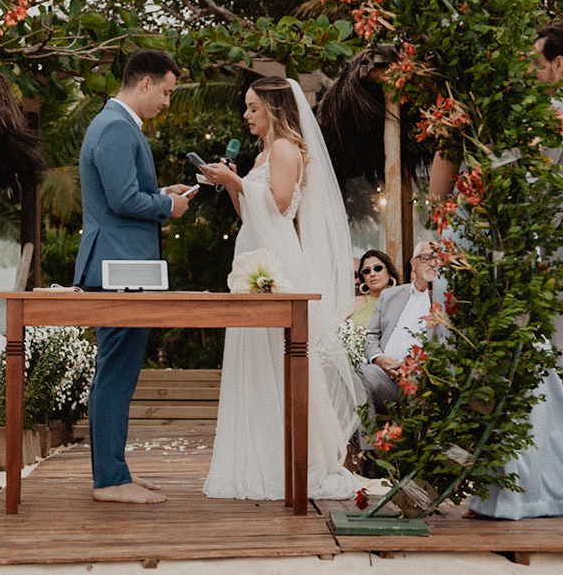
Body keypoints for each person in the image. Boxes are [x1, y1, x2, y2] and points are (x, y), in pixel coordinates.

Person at [430, 19, 563, 515]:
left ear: (557, 63)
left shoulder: (557, 114)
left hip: (557, 258)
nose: (529, 71)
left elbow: (513, 180)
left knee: (560, 371)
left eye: (535, 61)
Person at [199, 76, 366, 501]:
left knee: (281, 357)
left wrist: (237, 185)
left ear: (273, 108)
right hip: (255, 254)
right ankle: (258, 453)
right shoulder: (262, 155)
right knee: (254, 356)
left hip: (278, 264)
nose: (246, 114)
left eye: (253, 107)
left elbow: (277, 206)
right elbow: (251, 216)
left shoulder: (287, 149)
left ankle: (291, 459)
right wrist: (234, 186)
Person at [76, 49, 196, 505]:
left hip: (125, 265)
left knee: (119, 372)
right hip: (117, 268)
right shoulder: (112, 127)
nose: (167, 102)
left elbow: (123, 196)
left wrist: (163, 193)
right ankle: (109, 480)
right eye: (166, 92)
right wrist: (167, 206)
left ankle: (115, 471)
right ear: (144, 83)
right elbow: (124, 200)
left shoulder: (118, 127)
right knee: (114, 374)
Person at [362, 241, 438, 417]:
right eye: (426, 258)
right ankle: (368, 443)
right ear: (413, 263)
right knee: (359, 373)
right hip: (384, 375)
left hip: (422, 377)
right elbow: (371, 336)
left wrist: (412, 365)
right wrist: (380, 360)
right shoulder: (390, 295)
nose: (433, 263)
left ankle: (416, 441)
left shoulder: (445, 300)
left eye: (437, 259)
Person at [348, 250, 400, 333]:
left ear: (389, 272)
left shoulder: (403, 301)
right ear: (363, 278)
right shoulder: (353, 303)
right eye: (366, 271)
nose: (372, 274)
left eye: (378, 268)